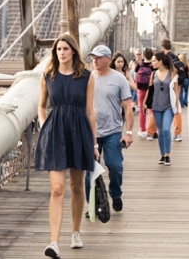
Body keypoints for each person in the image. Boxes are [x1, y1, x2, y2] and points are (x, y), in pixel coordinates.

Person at [35, 34, 97, 258]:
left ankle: (76, 231)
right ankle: (54, 242)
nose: (61, 52)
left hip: (80, 133)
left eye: (65, 49)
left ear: (73, 51)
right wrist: (45, 127)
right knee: (57, 188)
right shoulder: (47, 76)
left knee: (77, 187)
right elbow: (41, 107)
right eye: (58, 49)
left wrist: (94, 143)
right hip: (55, 134)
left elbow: (90, 112)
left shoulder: (87, 77)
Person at [85, 45, 134, 214]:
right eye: (93, 58)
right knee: (89, 171)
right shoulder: (88, 78)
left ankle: (115, 193)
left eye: (98, 57)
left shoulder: (119, 79)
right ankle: (92, 203)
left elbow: (128, 107)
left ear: (108, 59)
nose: (95, 61)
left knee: (114, 166)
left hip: (113, 131)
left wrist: (128, 132)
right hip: (91, 133)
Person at [143, 51, 179, 165]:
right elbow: (150, 89)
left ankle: (167, 154)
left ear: (160, 61)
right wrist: (144, 102)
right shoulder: (153, 74)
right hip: (156, 106)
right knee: (159, 131)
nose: (151, 63)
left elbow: (176, 90)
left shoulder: (172, 73)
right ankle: (162, 154)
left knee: (166, 130)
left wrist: (177, 104)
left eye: (154, 61)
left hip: (168, 106)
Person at [161, 39, 189, 142]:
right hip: (176, 85)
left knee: (162, 108)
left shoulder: (164, 58)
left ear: (163, 47)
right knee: (176, 108)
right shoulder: (175, 57)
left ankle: (158, 132)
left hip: (168, 86)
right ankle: (178, 133)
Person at [134, 48, 154, 138]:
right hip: (150, 89)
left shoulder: (139, 65)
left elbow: (135, 77)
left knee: (142, 110)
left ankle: (142, 130)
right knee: (151, 110)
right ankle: (153, 130)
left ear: (144, 55)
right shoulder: (153, 66)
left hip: (140, 89)